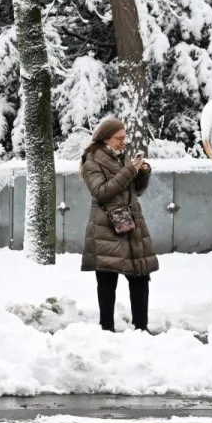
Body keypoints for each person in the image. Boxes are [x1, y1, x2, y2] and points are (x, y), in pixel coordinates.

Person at [80, 116, 158, 332]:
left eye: (125, 137)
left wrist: (142, 173)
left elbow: (136, 191)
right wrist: (129, 171)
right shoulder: (92, 161)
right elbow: (101, 192)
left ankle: (141, 327)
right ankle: (106, 328)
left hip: (130, 224)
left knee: (140, 276)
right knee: (107, 278)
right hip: (107, 226)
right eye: (119, 138)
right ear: (105, 139)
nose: (124, 142)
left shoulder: (121, 158)